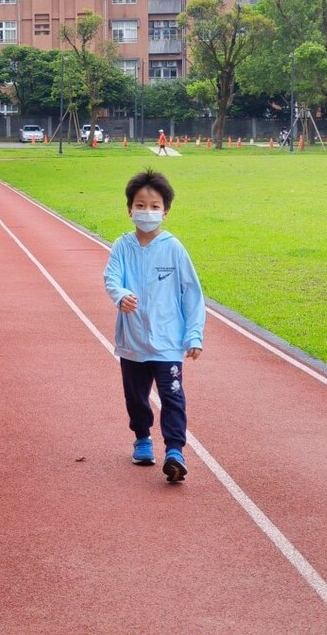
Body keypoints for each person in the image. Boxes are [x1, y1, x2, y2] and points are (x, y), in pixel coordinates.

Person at [104, 169, 205, 483]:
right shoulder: (122, 246)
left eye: (154, 206)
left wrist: (193, 335)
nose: (147, 212)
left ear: (166, 211)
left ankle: (175, 450)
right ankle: (142, 438)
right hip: (132, 342)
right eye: (141, 205)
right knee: (136, 397)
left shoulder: (174, 248)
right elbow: (111, 278)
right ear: (129, 209)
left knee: (172, 396)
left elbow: (192, 293)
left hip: (167, 342)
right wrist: (121, 295)